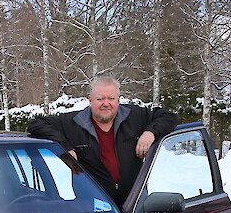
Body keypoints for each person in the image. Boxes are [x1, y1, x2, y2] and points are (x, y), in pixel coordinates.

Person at [28, 76, 178, 206]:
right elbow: (36, 124)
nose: (106, 103)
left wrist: (150, 132)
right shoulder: (72, 123)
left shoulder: (135, 116)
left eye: (111, 98)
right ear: (90, 100)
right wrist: (65, 148)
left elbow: (169, 117)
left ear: (118, 100)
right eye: (100, 99)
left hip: (134, 204)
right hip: (93, 206)